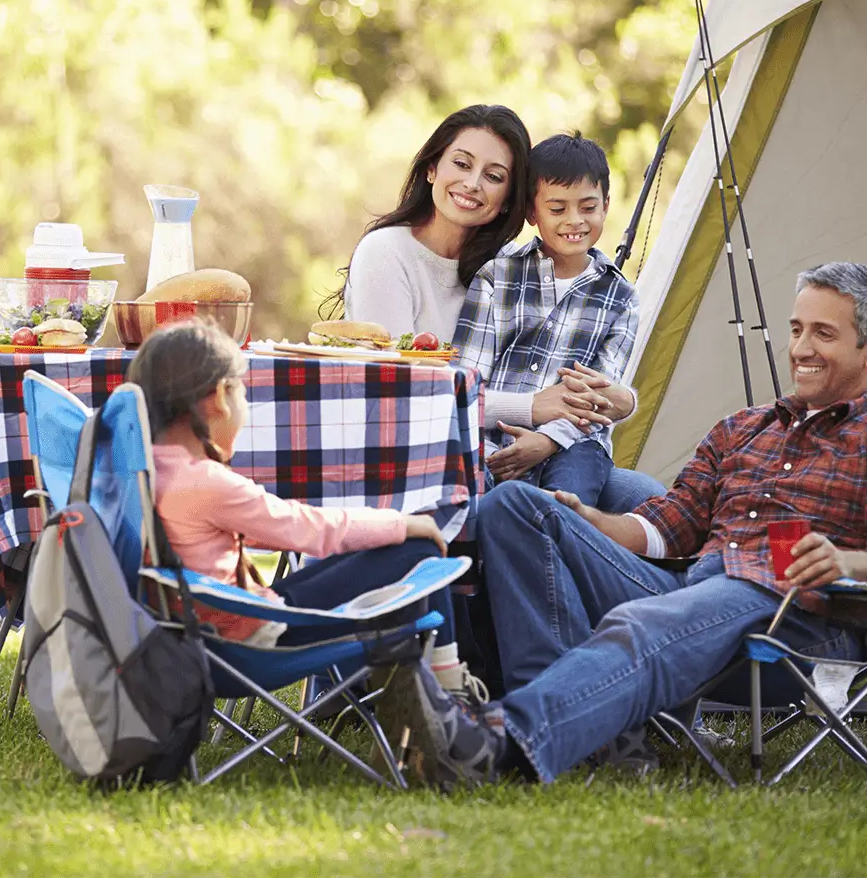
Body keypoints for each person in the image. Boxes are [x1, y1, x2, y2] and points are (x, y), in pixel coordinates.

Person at [372, 262, 867, 787]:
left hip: (798, 625)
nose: (801, 348)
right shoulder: (744, 428)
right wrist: (588, 521)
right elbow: (668, 525)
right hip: (695, 592)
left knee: (653, 614)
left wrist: (845, 562)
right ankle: (596, 739)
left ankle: (496, 742)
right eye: (797, 329)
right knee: (515, 508)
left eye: (823, 334)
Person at [327, 104, 665, 514]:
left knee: (645, 498)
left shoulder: (502, 264)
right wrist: (533, 406)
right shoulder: (389, 254)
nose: (472, 184)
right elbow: (398, 392)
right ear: (432, 168)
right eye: (462, 164)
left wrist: (622, 402)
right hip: (413, 443)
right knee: (522, 508)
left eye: (493, 176)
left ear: (510, 198)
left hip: (547, 444)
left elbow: (601, 378)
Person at [126, 319, 485, 702]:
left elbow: (274, 528)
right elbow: (310, 530)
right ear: (218, 397)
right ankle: (451, 695)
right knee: (418, 551)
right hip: (252, 645)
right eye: (243, 395)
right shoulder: (204, 483)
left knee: (388, 547)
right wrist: (405, 523)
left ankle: (420, 689)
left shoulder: (147, 470)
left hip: (200, 640)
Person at [452, 132, 638, 506]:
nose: (575, 221)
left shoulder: (621, 299)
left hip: (575, 444)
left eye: (588, 207)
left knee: (563, 509)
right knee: (485, 505)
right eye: (558, 209)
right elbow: (464, 385)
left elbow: (600, 397)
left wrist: (548, 439)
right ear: (532, 213)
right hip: (490, 441)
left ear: (605, 204)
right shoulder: (497, 277)